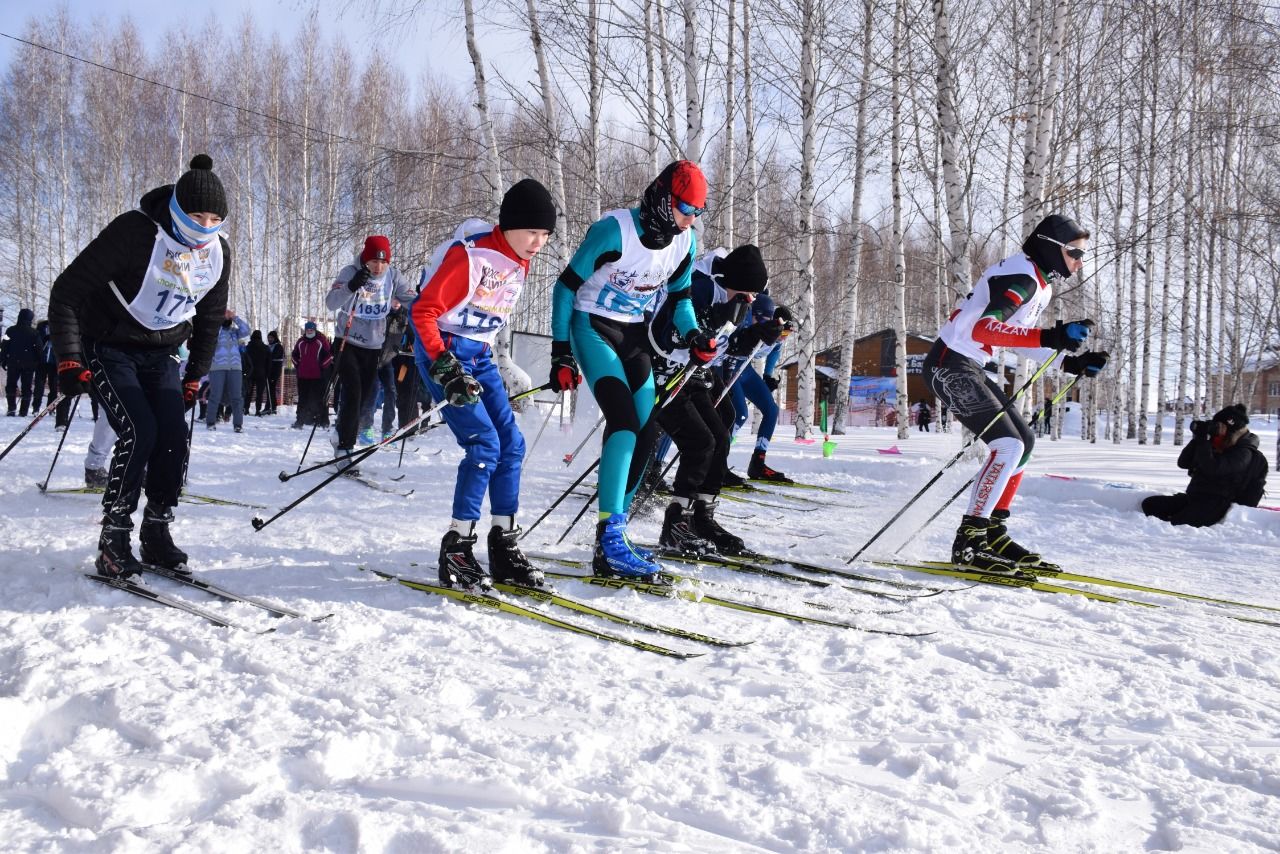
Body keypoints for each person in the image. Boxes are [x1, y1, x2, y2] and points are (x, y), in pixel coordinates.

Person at [48, 153, 231, 578]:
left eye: (214, 217)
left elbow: (209, 319)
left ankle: (157, 530)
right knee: (140, 431)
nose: (205, 225)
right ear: (177, 208)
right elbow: (68, 291)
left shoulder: (216, 254)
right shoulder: (135, 232)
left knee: (172, 435)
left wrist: (193, 376)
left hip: (161, 351)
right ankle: (113, 538)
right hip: (108, 346)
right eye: (196, 214)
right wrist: (69, 358)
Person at [922, 213, 1109, 573]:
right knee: (1007, 446)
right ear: (1052, 248)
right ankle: (970, 540)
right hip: (950, 363)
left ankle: (992, 532)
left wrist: (1070, 363)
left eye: (1083, 254)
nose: (1079, 260)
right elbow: (985, 330)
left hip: (967, 365)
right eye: (1074, 252)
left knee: (1023, 442)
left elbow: (1016, 337)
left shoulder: (1038, 281)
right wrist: (1052, 336)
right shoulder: (1023, 278)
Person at [548, 160, 708, 579]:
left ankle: (611, 537)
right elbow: (565, 288)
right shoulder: (613, 230)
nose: (691, 219)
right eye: (686, 209)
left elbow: (682, 301)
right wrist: (561, 354)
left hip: (632, 333)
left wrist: (694, 338)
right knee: (621, 423)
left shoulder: (684, 244)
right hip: (592, 326)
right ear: (664, 199)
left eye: (697, 212)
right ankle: (611, 534)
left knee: (647, 429)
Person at [411, 178, 556, 589]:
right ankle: (457, 546)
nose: (538, 242)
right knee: (484, 444)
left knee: (511, 444)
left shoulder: (520, 261)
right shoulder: (471, 258)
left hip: (479, 354)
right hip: (443, 350)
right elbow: (423, 312)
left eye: (545, 234)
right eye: (532, 231)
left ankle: (504, 544)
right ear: (509, 224)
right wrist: (444, 366)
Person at [649, 244, 773, 556]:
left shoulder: (739, 297)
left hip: (695, 373)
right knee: (700, 441)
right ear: (733, 282)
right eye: (747, 293)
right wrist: (716, 316)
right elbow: (669, 334)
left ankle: (702, 516)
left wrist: (760, 334)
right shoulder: (701, 284)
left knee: (721, 432)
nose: (750, 300)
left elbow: (726, 346)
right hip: (665, 369)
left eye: (755, 295)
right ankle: (676, 522)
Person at [325, 235, 417, 472]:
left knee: (365, 397)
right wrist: (351, 285)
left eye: (383, 262)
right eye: (374, 261)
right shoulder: (350, 271)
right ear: (365, 259)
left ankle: (340, 431)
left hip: (374, 346)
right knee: (353, 391)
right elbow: (331, 303)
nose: (378, 267)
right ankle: (345, 447)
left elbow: (411, 300)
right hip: (347, 341)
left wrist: (432, 305)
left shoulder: (393, 276)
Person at [1142, 405, 1268, 527]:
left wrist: (1203, 441)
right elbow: (1183, 462)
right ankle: (1166, 525)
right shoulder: (1215, 444)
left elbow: (1213, 468)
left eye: (1220, 426)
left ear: (1231, 430)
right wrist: (1198, 438)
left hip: (1216, 504)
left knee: (1178, 524)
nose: (1216, 429)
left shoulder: (1244, 453)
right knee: (1150, 505)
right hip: (1195, 497)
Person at [723, 293, 794, 482]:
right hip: (732, 368)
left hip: (744, 370)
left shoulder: (776, 343)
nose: (783, 338)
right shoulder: (755, 325)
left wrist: (768, 377)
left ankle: (758, 463)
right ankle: (718, 462)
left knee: (771, 410)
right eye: (783, 332)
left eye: (787, 334)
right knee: (740, 414)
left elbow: (769, 359)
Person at [206, 310, 249, 431]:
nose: (227, 318)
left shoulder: (235, 333)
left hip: (235, 368)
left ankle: (238, 425)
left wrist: (235, 317)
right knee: (215, 395)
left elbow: (246, 330)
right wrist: (219, 316)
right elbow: (210, 331)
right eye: (224, 317)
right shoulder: (216, 332)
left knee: (237, 397)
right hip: (217, 368)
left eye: (228, 317)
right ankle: (210, 422)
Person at [291, 321, 332, 428]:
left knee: (320, 399)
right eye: (308, 330)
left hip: (318, 377)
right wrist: (298, 366)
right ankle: (300, 420)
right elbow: (294, 355)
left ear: (315, 330)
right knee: (302, 399)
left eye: (311, 330)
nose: (309, 331)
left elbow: (329, 356)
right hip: (303, 376)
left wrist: (322, 367)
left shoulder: (321, 341)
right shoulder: (300, 341)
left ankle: (322, 421)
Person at [2, 307, 40, 416]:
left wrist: (3, 360)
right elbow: (39, 348)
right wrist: (38, 362)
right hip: (29, 363)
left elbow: (4, 346)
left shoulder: (10, 330)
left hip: (13, 362)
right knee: (27, 386)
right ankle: (23, 411)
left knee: (11, 385)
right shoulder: (34, 333)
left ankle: (11, 408)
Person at [34, 319, 59, 416]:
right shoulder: (41, 327)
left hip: (54, 362)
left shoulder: (60, 325)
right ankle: (36, 408)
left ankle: (51, 408)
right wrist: (45, 338)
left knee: (53, 387)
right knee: (39, 386)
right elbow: (37, 341)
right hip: (42, 361)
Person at [245, 329, 272, 416]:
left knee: (249, 392)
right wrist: (267, 373)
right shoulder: (266, 348)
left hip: (250, 373)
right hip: (262, 373)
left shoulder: (247, 348)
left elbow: (244, 361)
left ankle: (246, 409)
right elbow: (269, 362)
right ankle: (257, 410)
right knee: (259, 393)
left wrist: (245, 372)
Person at [266, 330, 285, 414]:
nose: (269, 339)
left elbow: (274, 356)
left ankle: (271, 407)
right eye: (268, 338)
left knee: (271, 389)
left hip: (275, 371)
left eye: (271, 338)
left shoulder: (278, 346)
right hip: (269, 370)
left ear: (275, 338)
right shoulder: (269, 346)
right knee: (269, 389)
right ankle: (271, 406)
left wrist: (266, 357)